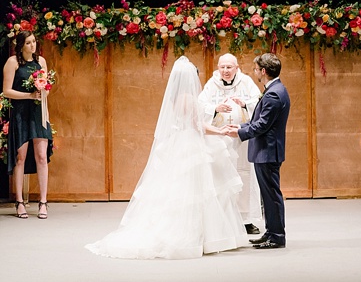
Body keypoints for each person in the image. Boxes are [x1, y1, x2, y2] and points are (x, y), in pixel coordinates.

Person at [85, 56, 247, 259]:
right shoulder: (188, 98)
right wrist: (220, 131)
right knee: (199, 191)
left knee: (183, 191)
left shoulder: (175, 98)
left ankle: (202, 235)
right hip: (191, 144)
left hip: (179, 142)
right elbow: (198, 127)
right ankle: (201, 236)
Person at [226, 53, 290, 249]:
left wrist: (239, 132)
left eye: (256, 70)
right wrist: (241, 126)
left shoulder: (273, 93)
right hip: (268, 150)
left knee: (271, 195)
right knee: (267, 195)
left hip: (268, 151)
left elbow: (262, 125)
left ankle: (277, 235)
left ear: (263, 71)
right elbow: (259, 120)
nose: (255, 73)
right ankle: (271, 231)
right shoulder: (276, 89)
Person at [198, 53, 262, 235]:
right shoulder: (212, 84)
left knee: (244, 175)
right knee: (222, 177)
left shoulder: (246, 81)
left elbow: (259, 102)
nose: (225, 71)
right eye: (222, 67)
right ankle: (223, 217)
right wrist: (215, 109)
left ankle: (245, 219)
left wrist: (244, 104)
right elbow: (200, 105)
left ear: (236, 67)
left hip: (242, 139)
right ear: (218, 67)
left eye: (229, 67)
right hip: (220, 139)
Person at [3, 31, 53, 219]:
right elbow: (7, 91)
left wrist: (42, 93)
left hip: (38, 112)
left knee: (41, 156)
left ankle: (43, 202)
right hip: (21, 113)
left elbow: (46, 87)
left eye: (34, 42)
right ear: (21, 45)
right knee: (20, 157)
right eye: (28, 43)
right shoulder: (12, 62)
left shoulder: (41, 61)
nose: (32, 46)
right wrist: (29, 95)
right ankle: (19, 202)